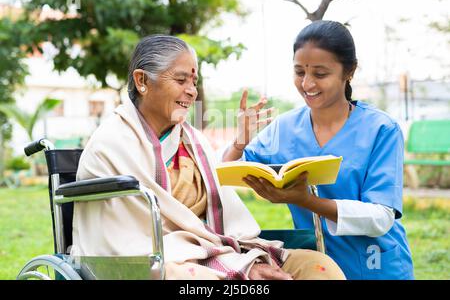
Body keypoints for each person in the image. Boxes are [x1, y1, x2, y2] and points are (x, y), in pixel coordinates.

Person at [71, 34, 345, 280]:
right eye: (180, 80)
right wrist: (236, 266)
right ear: (142, 81)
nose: (191, 90)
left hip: (213, 248)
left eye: (194, 81)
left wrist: (239, 143)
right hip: (156, 261)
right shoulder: (112, 145)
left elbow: (219, 187)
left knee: (317, 266)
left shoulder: (192, 140)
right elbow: (132, 244)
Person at [222, 20, 414, 280]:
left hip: (376, 265)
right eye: (299, 72)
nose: (307, 84)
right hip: (317, 267)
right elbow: (225, 174)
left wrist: (306, 201)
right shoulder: (285, 128)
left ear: (349, 71)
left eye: (320, 74)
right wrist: (240, 141)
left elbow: (380, 217)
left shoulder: (381, 129)